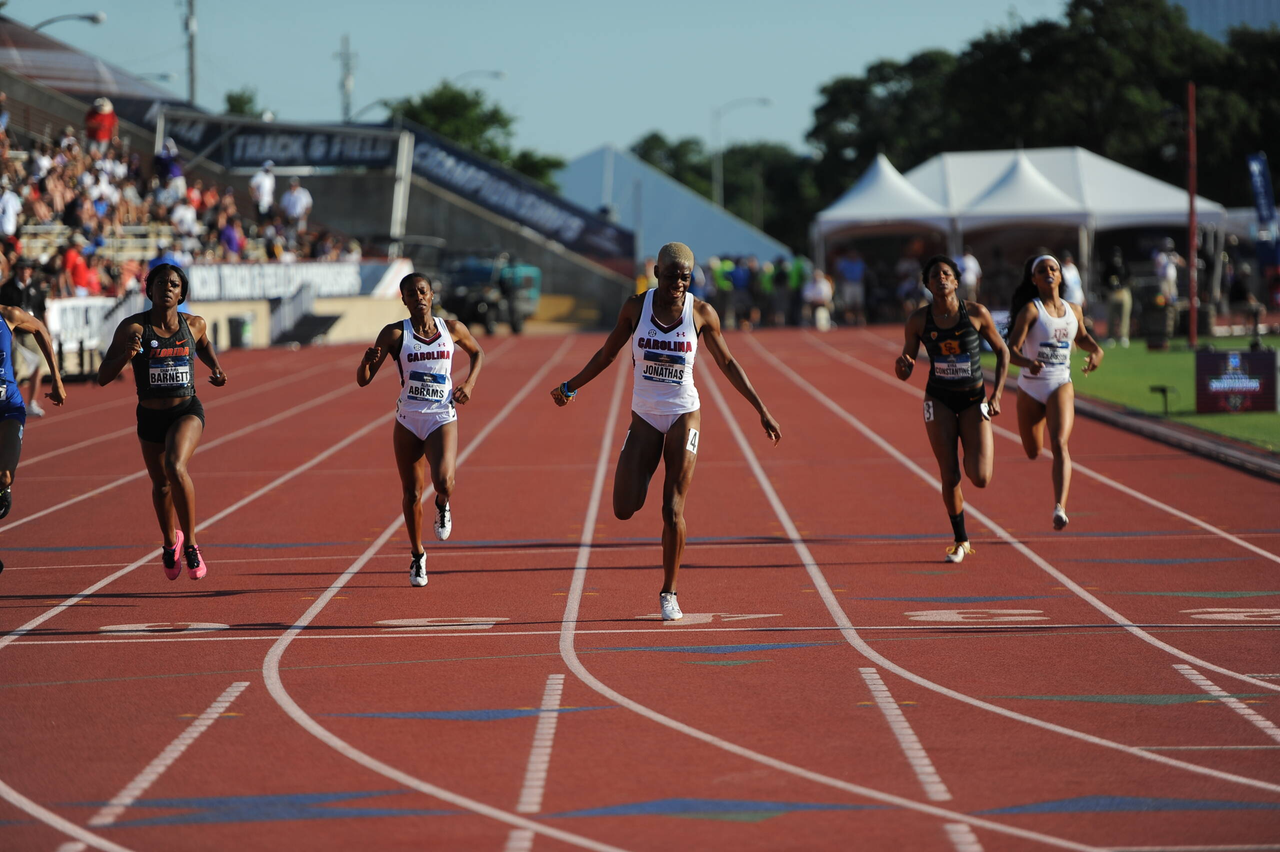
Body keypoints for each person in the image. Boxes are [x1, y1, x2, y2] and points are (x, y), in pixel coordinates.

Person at [551, 242, 781, 620]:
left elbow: (728, 363)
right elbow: (607, 354)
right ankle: (643, 489)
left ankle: (668, 592)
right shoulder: (635, 308)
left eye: (685, 277)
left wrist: (761, 409)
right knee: (624, 508)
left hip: (683, 415)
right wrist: (571, 386)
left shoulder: (702, 313)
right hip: (644, 416)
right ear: (656, 273)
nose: (678, 282)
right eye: (671, 275)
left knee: (672, 507)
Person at [97, 264, 228, 581]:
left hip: (186, 410)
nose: (167, 287)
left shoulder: (193, 324)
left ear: (182, 293)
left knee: (175, 466)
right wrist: (126, 357)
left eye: (174, 284)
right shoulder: (134, 329)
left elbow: (205, 345)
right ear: (150, 290)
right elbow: (102, 377)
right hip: (150, 416)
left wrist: (217, 369)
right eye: (160, 283)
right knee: (161, 484)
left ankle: (192, 545)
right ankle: (171, 541)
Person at [356, 273, 485, 588]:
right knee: (412, 493)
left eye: (422, 291)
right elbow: (363, 380)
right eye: (411, 294)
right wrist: (366, 362)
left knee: (444, 482)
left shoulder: (451, 329)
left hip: (441, 415)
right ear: (404, 300)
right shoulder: (394, 333)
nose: (418, 298)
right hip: (408, 420)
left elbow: (478, 353)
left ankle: (443, 503)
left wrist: (468, 383)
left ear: (431, 294)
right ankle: (417, 555)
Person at [895, 255, 1009, 563]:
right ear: (928, 285)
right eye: (935, 276)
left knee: (980, 476)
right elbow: (903, 370)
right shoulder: (919, 320)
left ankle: (971, 447)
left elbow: (1002, 351)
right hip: (939, 400)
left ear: (956, 282)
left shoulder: (976, 314)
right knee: (949, 473)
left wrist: (997, 394)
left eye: (946, 274)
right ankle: (961, 540)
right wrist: (902, 365)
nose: (941, 278)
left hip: (974, 400)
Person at [1006, 255, 1104, 530]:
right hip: (1029, 387)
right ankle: (1056, 499)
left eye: (1053, 268)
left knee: (1060, 442)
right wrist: (1028, 363)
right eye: (1042, 270)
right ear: (1034, 279)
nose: (1049, 272)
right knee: (1033, 450)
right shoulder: (1031, 311)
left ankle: (1060, 507)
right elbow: (1009, 352)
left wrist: (1097, 351)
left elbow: (1081, 338)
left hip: (1061, 382)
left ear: (1061, 276)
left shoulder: (1074, 310)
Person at [0, 291, 66, 559]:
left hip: (9, 407)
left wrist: (57, 378)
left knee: (4, 475)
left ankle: (4, 489)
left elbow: (39, 328)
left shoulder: (8, 315)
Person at [1102, 246, 1131, 347]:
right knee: (1111, 315)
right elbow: (1104, 279)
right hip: (1112, 292)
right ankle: (1110, 336)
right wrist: (1110, 286)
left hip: (1123, 291)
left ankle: (1123, 335)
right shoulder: (1109, 266)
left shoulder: (1124, 264)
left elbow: (1129, 277)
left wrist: (1122, 284)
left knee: (1124, 314)